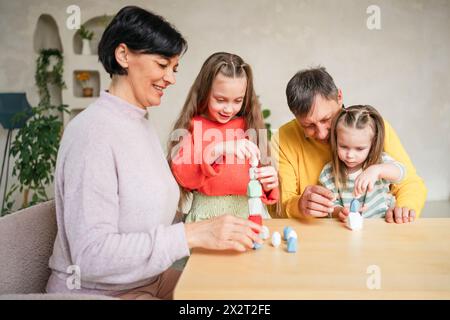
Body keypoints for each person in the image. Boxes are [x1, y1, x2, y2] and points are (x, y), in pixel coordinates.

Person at [46, 6, 262, 300]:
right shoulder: (92, 133)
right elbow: (91, 256)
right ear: (124, 56)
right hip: (103, 291)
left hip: (148, 279)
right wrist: (192, 234)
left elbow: (150, 213)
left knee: (244, 293)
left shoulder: (139, 124)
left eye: (174, 69)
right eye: (162, 65)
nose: (171, 79)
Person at [272, 67, 427, 223]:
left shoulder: (370, 128)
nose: (322, 134)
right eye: (308, 126)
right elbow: (277, 205)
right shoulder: (283, 139)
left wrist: (403, 208)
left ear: (339, 97)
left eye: (327, 119)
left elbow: (409, 182)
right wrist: (298, 206)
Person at [168, 52, 279, 223]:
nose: (228, 109)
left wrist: (270, 183)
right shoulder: (192, 126)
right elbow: (184, 177)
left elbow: (261, 184)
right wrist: (217, 149)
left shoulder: (251, 126)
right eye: (220, 99)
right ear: (204, 92)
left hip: (249, 215)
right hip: (207, 218)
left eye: (237, 100)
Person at [319, 105, 406, 221]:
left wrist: (377, 170)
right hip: (348, 228)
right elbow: (330, 205)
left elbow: (401, 172)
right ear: (335, 140)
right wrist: (341, 212)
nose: (350, 155)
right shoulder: (328, 173)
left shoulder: (380, 162)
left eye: (359, 149)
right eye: (343, 146)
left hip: (382, 225)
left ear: (372, 144)